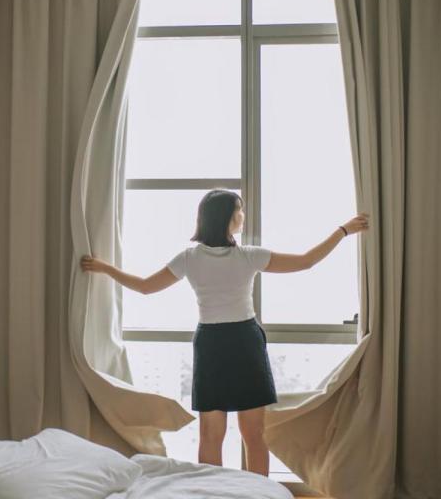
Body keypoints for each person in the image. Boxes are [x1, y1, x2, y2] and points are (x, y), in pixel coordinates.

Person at [80, 188, 370, 476]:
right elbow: (306, 261)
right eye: (239, 210)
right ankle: (246, 495)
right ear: (227, 218)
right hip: (241, 341)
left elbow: (144, 286)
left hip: (216, 343)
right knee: (249, 434)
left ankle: (227, 494)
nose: (242, 215)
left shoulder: (194, 257)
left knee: (217, 434)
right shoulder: (245, 256)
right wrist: (342, 231)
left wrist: (106, 268)